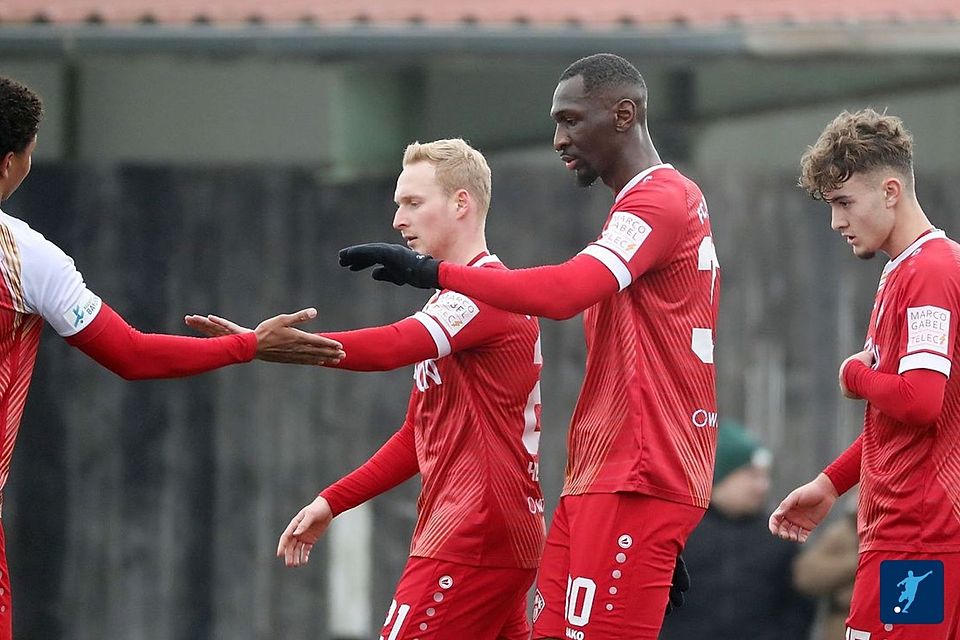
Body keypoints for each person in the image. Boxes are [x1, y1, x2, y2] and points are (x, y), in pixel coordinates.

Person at [339, 53, 719, 640]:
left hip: (632, 474)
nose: (559, 139)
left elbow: (565, 292)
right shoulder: (646, 205)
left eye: (571, 120)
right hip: (607, 477)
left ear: (623, 115)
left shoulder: (660, 199)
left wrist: (432, 273)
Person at [0, 76, 344, 638]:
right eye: (30, 155)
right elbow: (132, 354)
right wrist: (249, 344)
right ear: (9, 163)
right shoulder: (25, 258)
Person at [189, 139, 546, 639]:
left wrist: (267, 346)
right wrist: (333, 500)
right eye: (398, 204)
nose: (398, 220)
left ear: (461, 203)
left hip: (473, 526)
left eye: (413, 203)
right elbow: (418, 435)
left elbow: (391, 347)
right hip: (496, 526)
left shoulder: (481, 294)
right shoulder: (461, 297)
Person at [769, 109, 960, 639]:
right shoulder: (907, 270)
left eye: (844, 202)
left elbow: (920, 401)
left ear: (891, 191)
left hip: (918, 541)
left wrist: (853, 375)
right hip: (910, 537)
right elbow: (901, 422)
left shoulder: (931, 271)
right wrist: (831, 483)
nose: (836, 222)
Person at [659, 420, 814, 640]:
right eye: (751, 475)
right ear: (720, 476)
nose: (762, 486)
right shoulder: (681, 532)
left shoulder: (778, 535)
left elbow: (800, 604)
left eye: (765, 476)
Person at [792, 491, 858, 640]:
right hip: (842, 627)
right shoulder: (843, 534)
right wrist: (857, 562)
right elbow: (805, 576)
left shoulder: (905, 536)